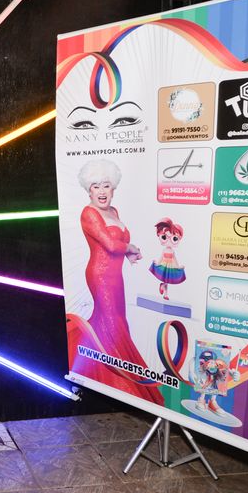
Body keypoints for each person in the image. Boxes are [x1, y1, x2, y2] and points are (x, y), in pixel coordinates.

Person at [75, 160, 164, 404]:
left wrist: (129, 254)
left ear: (113, 188)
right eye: (96, 186)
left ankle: (99, 373)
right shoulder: (89, 213)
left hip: (116, 277)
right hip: (100, 275)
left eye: (106, 185)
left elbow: (118, 245)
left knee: (115, 321)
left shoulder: (113, 212)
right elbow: (111, 245)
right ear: (88, 190)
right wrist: (130, 247)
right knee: (113, 323)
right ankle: (120, 384)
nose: (101, 191)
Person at [149, 217, 185, 300]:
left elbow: (175, 260)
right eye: (164, 237)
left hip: (170, 266)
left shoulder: (172, 251)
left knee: (167, 281)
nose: (168, 241)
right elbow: (161, 258)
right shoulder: (164, 250)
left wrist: (178, 267)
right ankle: (163, 287)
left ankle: (165, 293)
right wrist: (157, 264)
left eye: (174, 238)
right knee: (165, 280)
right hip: (163, 265)